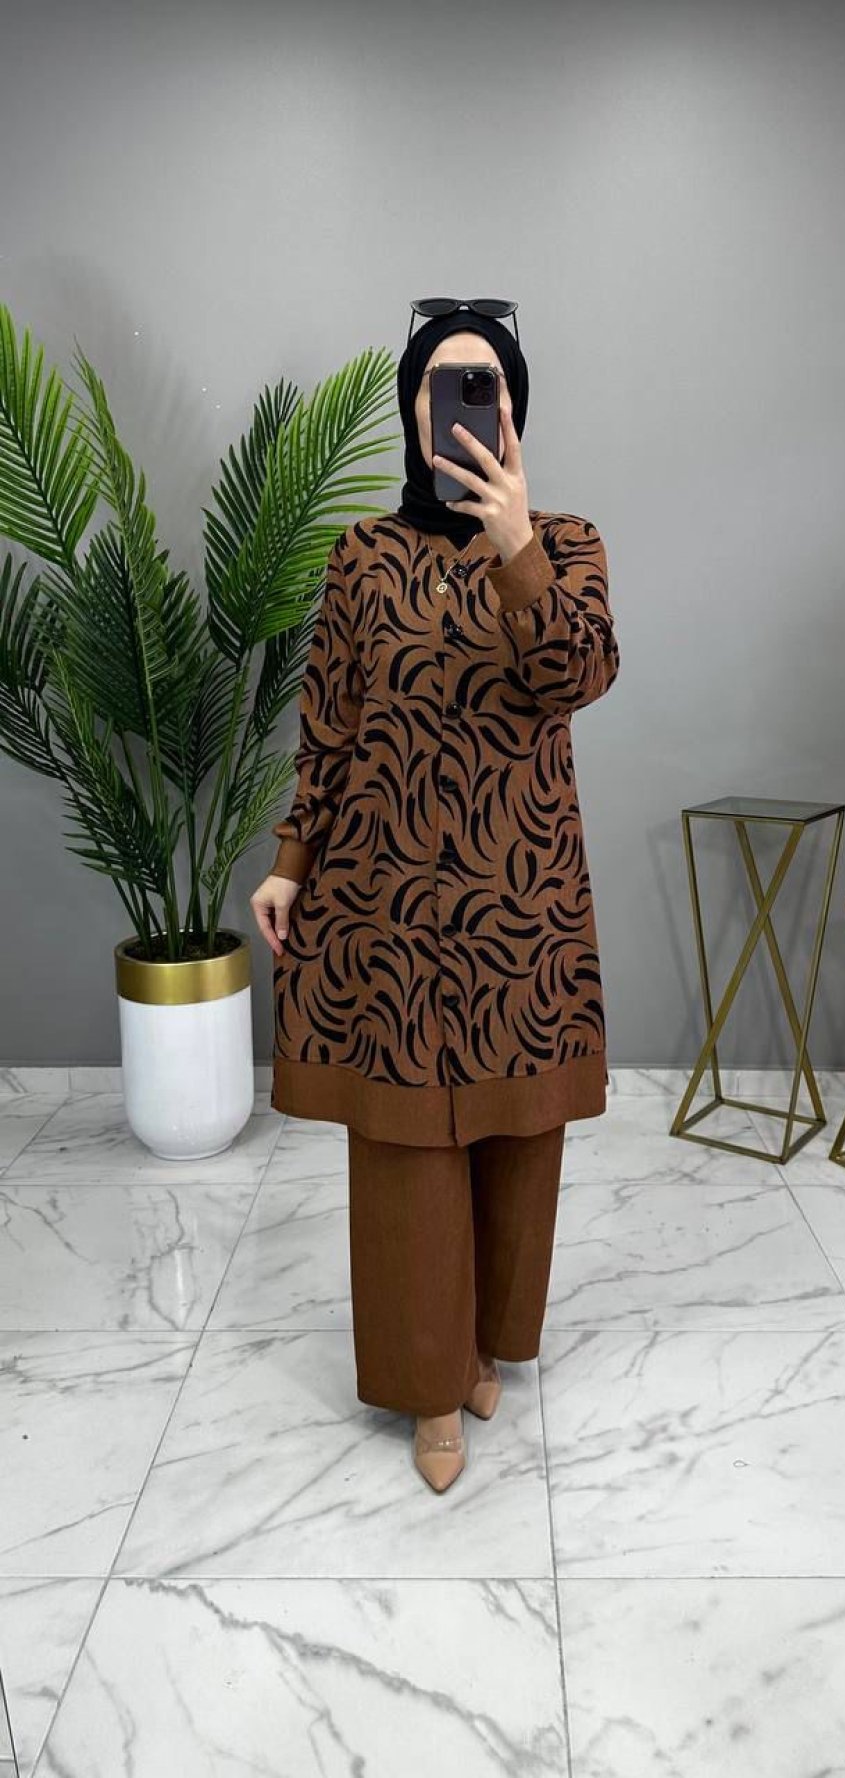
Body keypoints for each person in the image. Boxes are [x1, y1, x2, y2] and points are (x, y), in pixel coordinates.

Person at [251, 300, 620, 1492]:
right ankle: (428, 1386)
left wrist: (515, 547)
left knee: (517, 1134)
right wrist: (290, 860)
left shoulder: (565, 542)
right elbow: (330, 722)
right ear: (413, 411)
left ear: (513, 410)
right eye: (441, 385)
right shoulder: (360, 555)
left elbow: (577, 674)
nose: (464, 406)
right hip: (391, 907)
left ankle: (481, 1344)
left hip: (523, 903)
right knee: (406, 1149)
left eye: (486, 385)